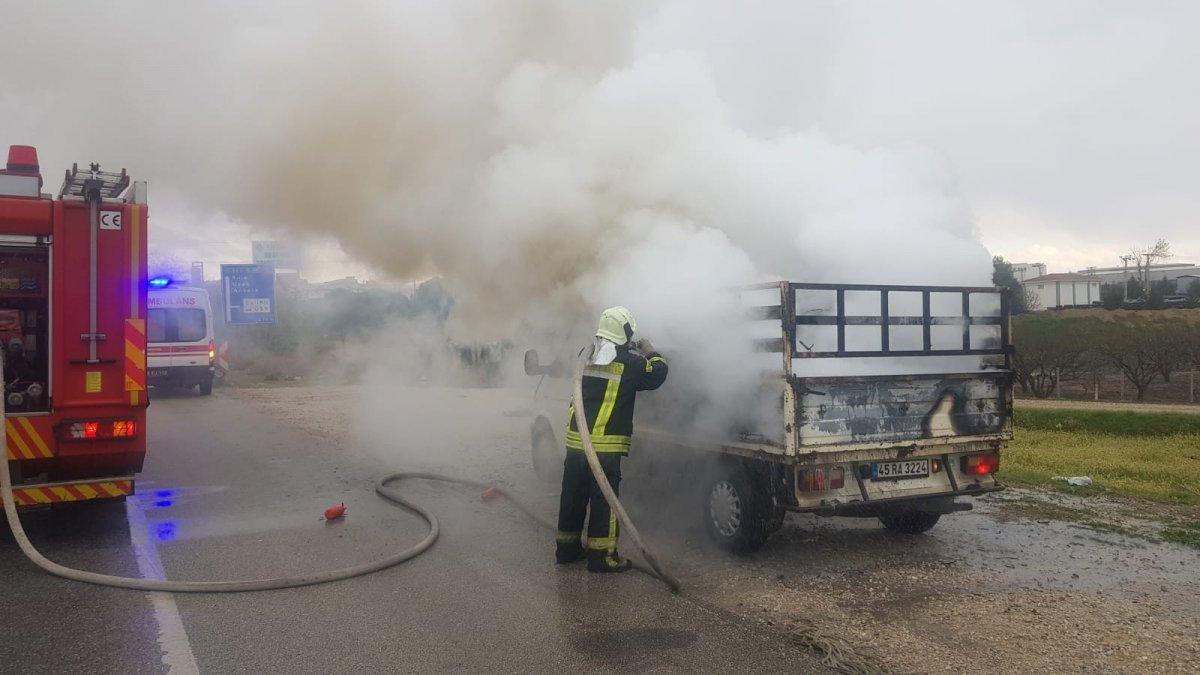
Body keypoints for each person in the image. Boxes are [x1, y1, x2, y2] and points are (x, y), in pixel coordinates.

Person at [555, 306, 668, 573]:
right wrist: (650, 349)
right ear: (625, 332)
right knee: (605, 501)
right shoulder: (631, 363)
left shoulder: (585, 354)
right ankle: (602, 557)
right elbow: (658, 374)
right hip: (605, 446)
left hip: (576, 441)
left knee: (572, 496)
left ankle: (567, 550)